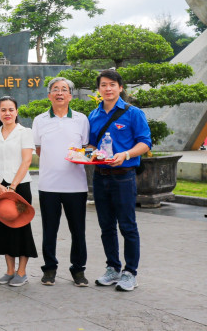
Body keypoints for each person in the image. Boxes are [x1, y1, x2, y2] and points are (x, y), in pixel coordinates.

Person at [87, 69, 151, 292]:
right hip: (100, 176)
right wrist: (86, 153)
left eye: (112, 85)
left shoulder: (133, 113)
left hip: (124, 177)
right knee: (106, 226)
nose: (108, 88)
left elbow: (145, 143)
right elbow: (91, 146)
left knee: (127, 226)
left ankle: (130, 272)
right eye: (103, 85)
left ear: (120, 88)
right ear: (99, 89)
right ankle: (112, 268)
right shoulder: (93, 115)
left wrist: (125, 154)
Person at [32, 77, 90, 287]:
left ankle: (78, 270)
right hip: (48, 185)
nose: (59, 93)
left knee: (78, 230)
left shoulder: (81, 119)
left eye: (64, 90)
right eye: (55, 89)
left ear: (70, 96)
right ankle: (49, 269)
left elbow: (85, 147)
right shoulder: (39, 120)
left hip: (76, 185)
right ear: (49, 95)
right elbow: (39, 149)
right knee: (49, 230)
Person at [0, 96, 37, 287]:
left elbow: (26, 161)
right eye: (3, 110)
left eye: (11, 109)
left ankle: (21, 272)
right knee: (3, 228)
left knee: (21, 227)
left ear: (16, 112)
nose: (7, 113)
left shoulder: (25, 132)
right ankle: (9, 270)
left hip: (20, 186)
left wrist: (13, 186)